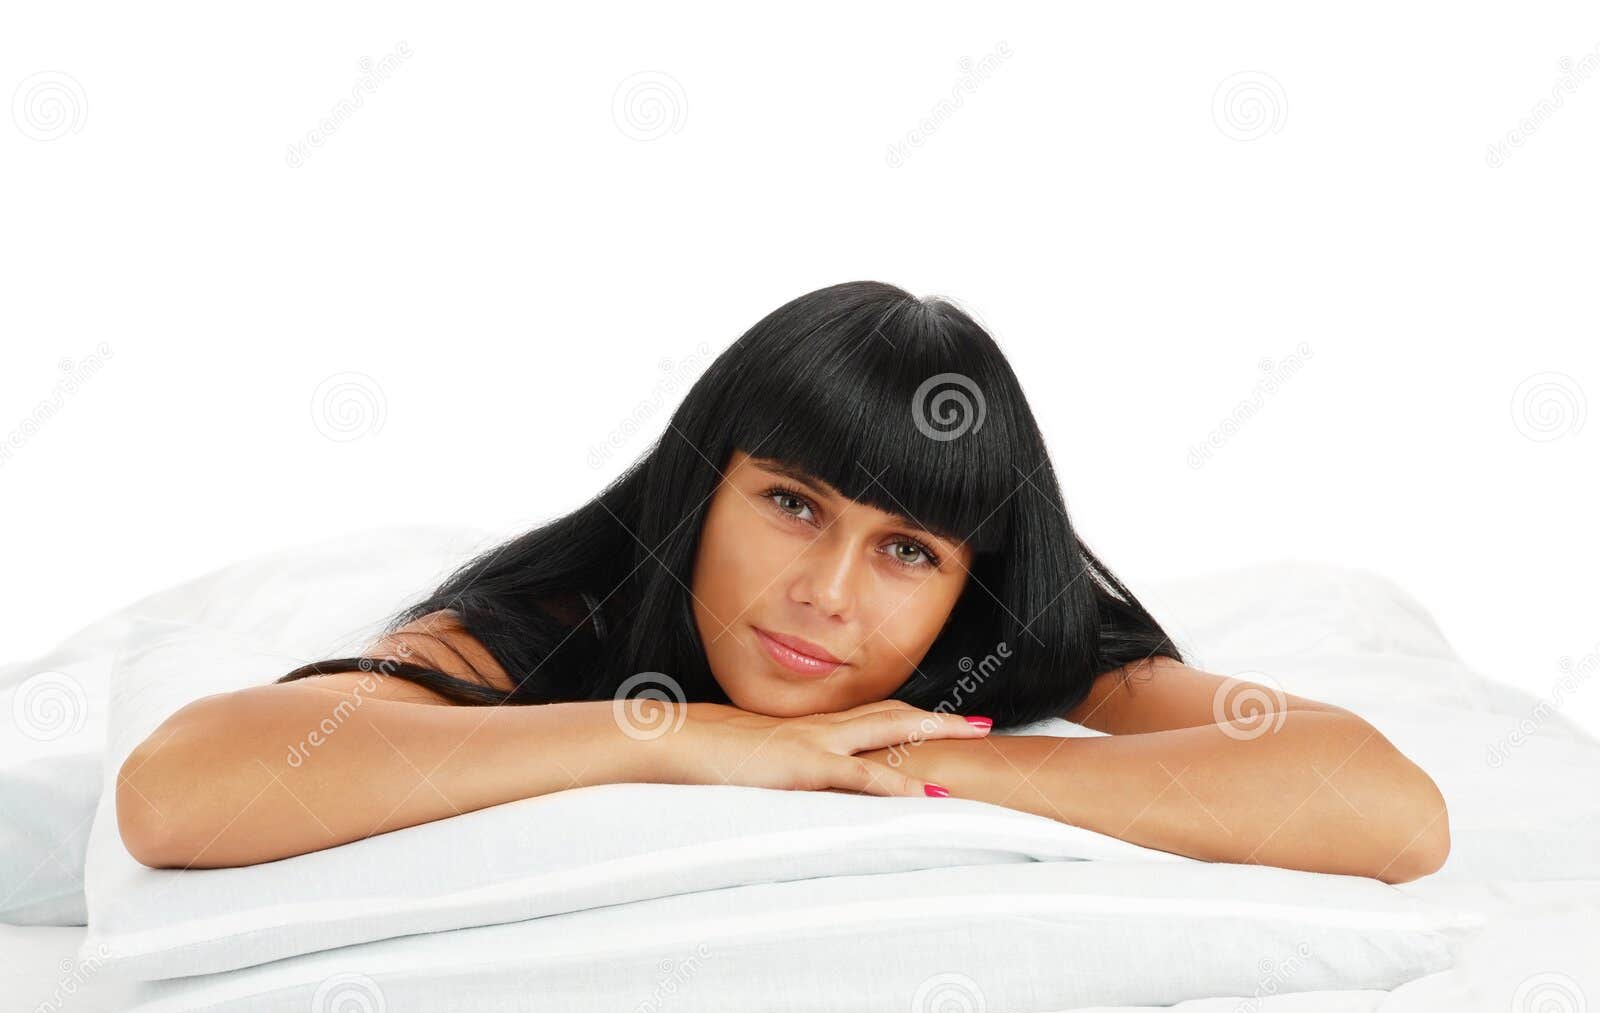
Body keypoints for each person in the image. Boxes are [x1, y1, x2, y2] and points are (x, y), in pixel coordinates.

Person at [116, 280, 1449, 881]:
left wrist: (891, 760)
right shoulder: (565, 609)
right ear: (706, 488)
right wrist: (699, 738)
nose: (829, 589)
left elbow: (1392, 813)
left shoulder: (1003, 638)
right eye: (794, 504)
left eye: (906, 549)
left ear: (965, 582)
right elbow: (179, 790)